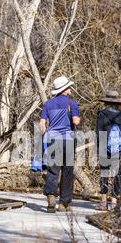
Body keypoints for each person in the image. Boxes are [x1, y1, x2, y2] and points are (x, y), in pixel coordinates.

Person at [39, 75, 80, 212]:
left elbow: (42, 123)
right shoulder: (72, 103)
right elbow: (75, 121)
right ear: (65, 89)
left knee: (53, 169)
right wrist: (78, 120)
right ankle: (64, 203)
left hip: (52, 139)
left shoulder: (48, 104)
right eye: (69, 86)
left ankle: (51, 195)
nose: (71, 88)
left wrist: (45, 135)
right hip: (67, 140)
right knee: (67, 171)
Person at [96, 89, 121, 211]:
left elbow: (98, 132)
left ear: (106, 102)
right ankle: (114, 202)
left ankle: (104, 201)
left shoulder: (102, 114)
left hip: (104, 146)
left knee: (104, 172)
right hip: (119, 149)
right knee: (117, 173)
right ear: (118, 103)